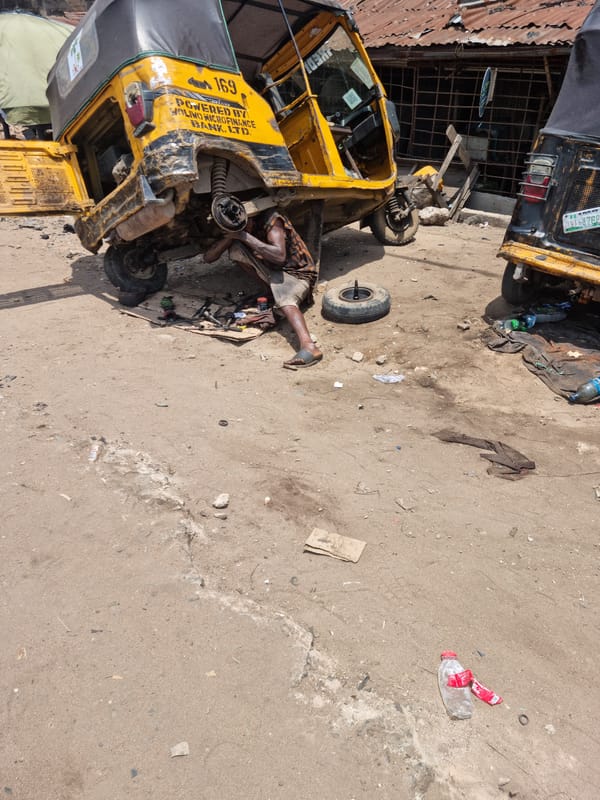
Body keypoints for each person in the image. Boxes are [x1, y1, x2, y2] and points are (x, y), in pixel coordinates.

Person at [203, 208, 323, 368]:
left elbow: (279, 256)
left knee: (285, 297)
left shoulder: (272, 220)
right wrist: (231, 237)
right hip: (273, 272)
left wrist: (244, 236)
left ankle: (309, 346)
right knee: (236, 249)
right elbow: (208, 258)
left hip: (297, 274)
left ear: (250, 218)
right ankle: (270, 292)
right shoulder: (239, 229)